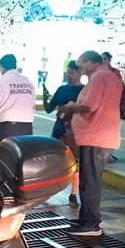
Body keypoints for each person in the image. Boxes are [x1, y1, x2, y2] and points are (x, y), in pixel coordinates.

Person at [60, 50, 123, 236]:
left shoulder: (98, 77)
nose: (80, 70)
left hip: (96, 136)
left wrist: (70, 107)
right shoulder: (110, 76)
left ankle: (91, 224)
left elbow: (90, 106)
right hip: (102, 136)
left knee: (90, 182)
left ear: (89, 62)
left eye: (81, 66)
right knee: (91, 180)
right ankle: (88, 218)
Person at [0, 54, 36, 182]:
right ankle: (18, 190)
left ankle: (0, 192)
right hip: (26, 129)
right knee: (20, 160)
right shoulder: (28, 82)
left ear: (2, 68)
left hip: (6, 129)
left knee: (1, 161)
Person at [43, 60, 84, 208]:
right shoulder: (61, 89)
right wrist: (45, 96)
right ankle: (48, 190)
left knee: (76, 161)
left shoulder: (84, 91)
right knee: (53, 160)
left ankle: (73, 194)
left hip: (74, 130)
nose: (69, 76)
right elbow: (48, 109)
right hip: (59, 128)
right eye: (68, 73)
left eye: (72, 73)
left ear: (80, 73)